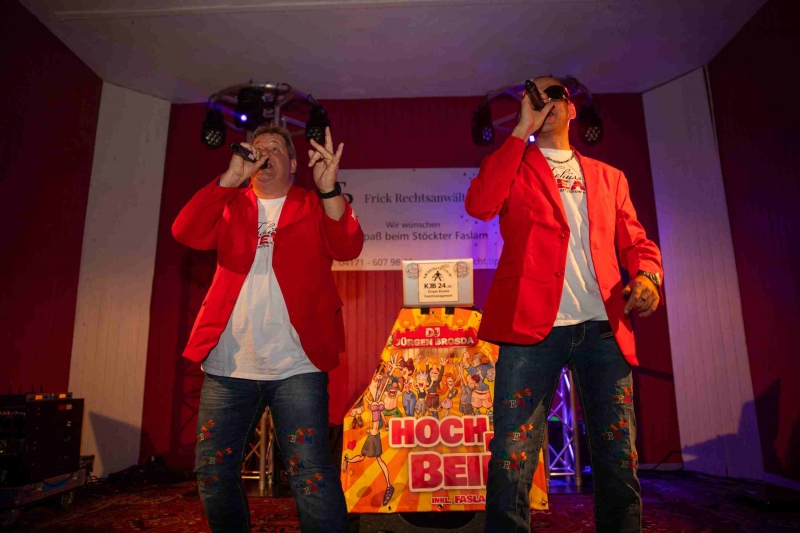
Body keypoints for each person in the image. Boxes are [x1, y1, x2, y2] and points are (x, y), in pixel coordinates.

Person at [465, 76, 663, 533]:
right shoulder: (512, 165)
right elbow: (480, 204)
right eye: (533, 96)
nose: (545, 102)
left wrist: (648, 275)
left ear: (572, 108)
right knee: (512, 454)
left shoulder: (609, 176)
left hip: (603, 327)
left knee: (618, 455)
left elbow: (636, 242)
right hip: (530, 327)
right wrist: (520, 131)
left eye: (554, 94)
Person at [173, 123, 363, 533]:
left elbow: (348, 245)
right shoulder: (230, 204)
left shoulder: (312, 204)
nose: (263, 154)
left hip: (296, 363)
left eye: (274, 148)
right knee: (212, 470)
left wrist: (329, 189)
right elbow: (184, 230)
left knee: (310, 471)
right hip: (228, 364)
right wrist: (230, 178)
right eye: (256, 148)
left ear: (293, 164)